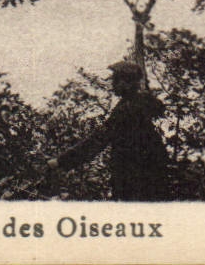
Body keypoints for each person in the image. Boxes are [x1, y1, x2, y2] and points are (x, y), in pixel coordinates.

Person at [46, 59, 174, 201]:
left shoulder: (127, 109)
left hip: (134, 182)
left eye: (116, 80)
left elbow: (98, 140)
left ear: (127, 82)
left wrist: (60, 161)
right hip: (152, 179)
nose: (112, 84)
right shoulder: (142, 103)